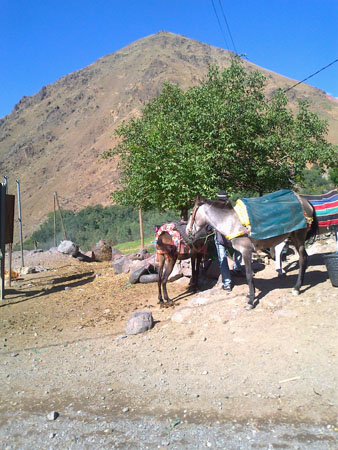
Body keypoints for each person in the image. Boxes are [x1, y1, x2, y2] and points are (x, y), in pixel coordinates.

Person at [213, 190, 243, 291]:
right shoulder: (232, 209)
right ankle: (237, 267)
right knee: (237, 251)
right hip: (232, 237)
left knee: (222, 259)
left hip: (221, 238)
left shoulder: (215, 211)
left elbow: (209, 225)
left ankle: (227, 283)